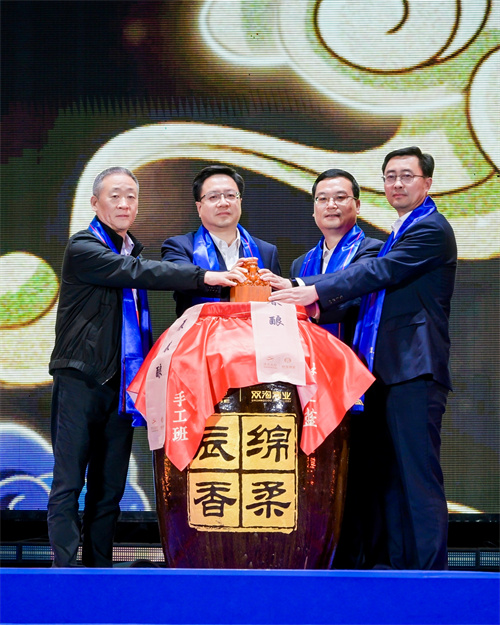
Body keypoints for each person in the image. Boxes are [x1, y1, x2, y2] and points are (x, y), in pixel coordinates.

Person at [47, 166, 245, 567]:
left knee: (109, 489)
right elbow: (138, 273)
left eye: (131, 197)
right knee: (69, 483)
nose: (124, 204)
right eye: (115, 196)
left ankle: (99, 569)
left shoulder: (130, 250)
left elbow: (136, 269)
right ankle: (63, 571)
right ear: (95, 203)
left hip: (122, 384)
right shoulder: (84, 247)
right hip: (82, 378)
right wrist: (205, 276)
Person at [270, 147, 457, 570]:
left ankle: (431, 575)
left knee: (417, 478)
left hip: (415, 367)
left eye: (407, 176)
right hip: (388, 371)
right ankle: (397, 568)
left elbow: (378, 272)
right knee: (389, 478)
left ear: (427, 183)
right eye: (390, 176)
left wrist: (309, 289)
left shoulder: (430, 229)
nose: (397, 184)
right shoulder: (401, 229)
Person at [260, 168, 381, 346]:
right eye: (322, 199)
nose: (331, 205)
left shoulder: (374, 251)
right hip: (308, 357)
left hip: (355, 354)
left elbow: (358, 299)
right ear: (314, 210)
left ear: (358, 206)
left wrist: (313, 307)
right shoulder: (300, 263)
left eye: (340, 197)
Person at [161, 164, 281, 316]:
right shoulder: (179, 247)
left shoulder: (266, 251)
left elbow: (276, 303)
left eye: (230, 195)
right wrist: (227, 277)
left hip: (256, 330)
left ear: (240, 201)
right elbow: (182, 279)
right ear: (199, 207)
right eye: (213, 197)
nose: (224, 203)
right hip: (202, 331)